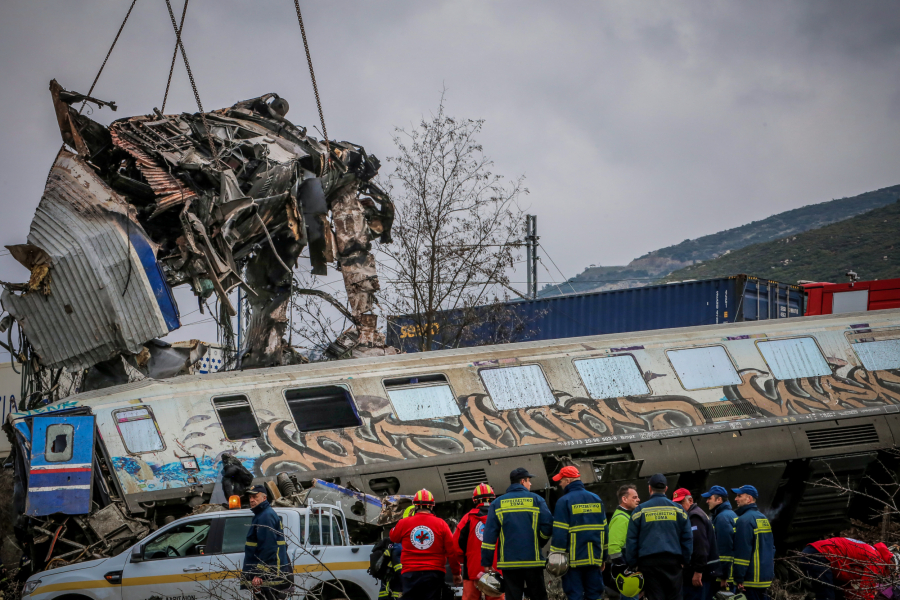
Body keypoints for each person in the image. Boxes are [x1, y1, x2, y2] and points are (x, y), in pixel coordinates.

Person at [481, 467, 553, 600]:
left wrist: (487, 561)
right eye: (528, 481)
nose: (530, 484)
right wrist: (539, 542)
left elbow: (489, 535)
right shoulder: (537, 500)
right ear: (522, 481)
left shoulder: (497, 503)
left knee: (513, 597)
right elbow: (548, 525)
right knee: (538, 596)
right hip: (533, 560)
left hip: (509, 563)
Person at [624, 473, 693, 600]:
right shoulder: (679, 510)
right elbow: (687, 538)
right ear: (666, 489)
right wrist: (685, 560)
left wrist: (633, 564)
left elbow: (631, 540)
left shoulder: (640, 511)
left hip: (649, 564)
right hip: (674, 562)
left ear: (650, 488)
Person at [390, 489, 461, 600]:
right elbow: (452, 551)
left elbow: (393, 537)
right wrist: (456, 573)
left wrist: (402, 523)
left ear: (415, 506)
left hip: (410, 573)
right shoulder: (441, 524)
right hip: (434, 574)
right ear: (432, 506)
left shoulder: (404, 523)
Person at [550, 466, 608, 600]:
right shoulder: (596, 499)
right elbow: (604, 531)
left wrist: (556, 559)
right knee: (594, 594)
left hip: (573, 562)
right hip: (594, 559)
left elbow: (560, 533)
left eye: (561, 481)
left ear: (568, 481)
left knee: (575, 595)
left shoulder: (564, 501)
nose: (560, 484)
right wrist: (603, 558)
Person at [799, 537, 894, 600]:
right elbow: (865, 592)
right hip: (819, 555)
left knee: (837, 594)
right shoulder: (877, 560)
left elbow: (850, 587)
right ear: (891, 564)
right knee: (827, 596)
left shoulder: (871, 553)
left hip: (814, 552)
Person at [243, 485, 294, 600]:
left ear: (264, 498)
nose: (252, 500)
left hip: (269, 576)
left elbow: (268, 547)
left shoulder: (265, 516)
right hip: (270, 574)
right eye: (250, 497)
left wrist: (259, 573)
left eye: (255, 497)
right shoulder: (262, 514)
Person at [455, 484, 503, 600]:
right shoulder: (500, 516)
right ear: (493, 498)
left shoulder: (467, 518)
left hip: (472, 570)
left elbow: (456, 546)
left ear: (474, 500)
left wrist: (466, 560)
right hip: (496, 569)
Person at [673, 488, 719, 600]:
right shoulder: (697, 514)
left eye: (681, 502)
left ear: (690, 500)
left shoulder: (694, 517)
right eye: (676, 504)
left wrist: (698, 571)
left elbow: (700, 546)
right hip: (704, 572)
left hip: (699, 575)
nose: (678, 507)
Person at [731, 485, 774, 600]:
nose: (736, 499)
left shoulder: (744, 520)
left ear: (749, 499)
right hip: (764, 578)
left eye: (739, 496)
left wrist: (739, 578)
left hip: (750, 580)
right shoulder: (763, 518)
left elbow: (742, 552)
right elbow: (771, 548)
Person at [702, 485, 737, 595]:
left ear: (719, 500)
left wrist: (723, 577)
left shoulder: (722, 518)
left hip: (722, 576)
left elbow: (724, 550)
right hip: (729, 573)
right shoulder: (730, 514)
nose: (707, 501)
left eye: (710, 498)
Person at [608, 484, 641, 600]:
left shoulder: (626, 516)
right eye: (634, 497)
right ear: (624, 499)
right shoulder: (621, 518)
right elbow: (613, 546)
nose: (638, 500)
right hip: (626, 569)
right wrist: (623, 568)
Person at [379, 506, 415, 600]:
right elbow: (401, 571)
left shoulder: (397, 538)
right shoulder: (400, 545)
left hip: (389, 587)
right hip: (395, 589)